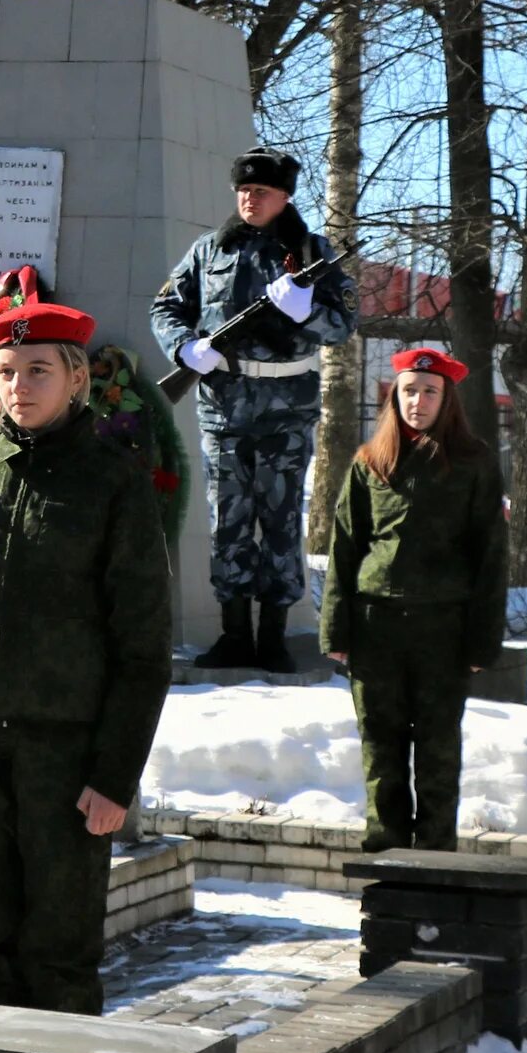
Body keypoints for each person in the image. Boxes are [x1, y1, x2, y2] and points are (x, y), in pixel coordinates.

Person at [0, 299, 172, 1014]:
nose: (20, 385)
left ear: (76, 378)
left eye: (38, 369)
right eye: (7, 371)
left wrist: (114, 776)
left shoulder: (115, 483)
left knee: (59, 951)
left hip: (65, 759)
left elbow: (143, 646)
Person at [150, 149, 357, 672]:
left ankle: (274, 636)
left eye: (262, 191)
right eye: (244, 190)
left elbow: (343, 325)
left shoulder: (310, 250)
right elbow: (166, 305)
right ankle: (234, 633)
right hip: (223, 406)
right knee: (229, 522)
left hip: (287, 408)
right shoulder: (208, 251)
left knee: (282, 520)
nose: (250, 198)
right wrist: (184, 349)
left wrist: (307, 310)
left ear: (284, 196)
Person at [319, 348, 506, 852]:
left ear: (447, 401)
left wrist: (482, 643)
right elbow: (345, 546)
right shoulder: (369, 463)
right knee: (380, 750)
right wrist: (336, 631)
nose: (417, 401)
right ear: (393, 396)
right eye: (408, 390)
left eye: (429, 391)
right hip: (376, 627)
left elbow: (491, 556)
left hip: (442, 629)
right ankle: (386, 859)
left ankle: (437, 862)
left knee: (438, 751)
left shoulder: (474, 463)